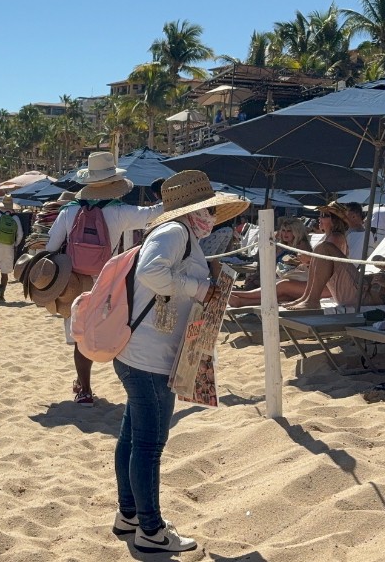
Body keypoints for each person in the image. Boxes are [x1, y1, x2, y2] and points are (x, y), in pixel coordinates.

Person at [111, 170, 249, 554]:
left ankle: (129, 516)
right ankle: (151, 530)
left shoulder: (181, 233)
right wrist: (201, 288)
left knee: (133, 439)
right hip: (149, 357)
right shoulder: (174, 233)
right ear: (196, 209)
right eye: (208, 209)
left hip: (139, 352)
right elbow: (151, 272)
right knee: (149, 445)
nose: (212, 216)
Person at [45, 151, 162, 406]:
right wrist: (169, 197)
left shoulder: (68, 210)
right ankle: (132, 387)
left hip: (73, 279)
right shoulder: (120, 211)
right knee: (118, 329)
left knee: (80, 334)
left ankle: (84, 389)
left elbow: (51, 246)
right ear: (113, 183)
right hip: (108, 280)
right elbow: (152, 214)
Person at [284, 202, 385, 310]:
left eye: (324, 215)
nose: (319, 218)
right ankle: (306, 298)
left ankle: (311, 300)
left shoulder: (335, 238)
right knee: (321, 248)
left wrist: (309, 258)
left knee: (283, 285)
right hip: (337, 285)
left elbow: (330, 266)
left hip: (342, 288)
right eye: (320, 214)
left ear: (335, 220)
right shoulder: (330, 237)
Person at [227, 217, 312, 307]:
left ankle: (237, 296)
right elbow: (270, 264)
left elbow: (302, 266)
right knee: (252, 282)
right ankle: (240, 300)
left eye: (289, 231)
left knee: (276, 289)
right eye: (283, 230)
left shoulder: (301, 246)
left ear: (296, 232)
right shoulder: (280, 245)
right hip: (278, 276)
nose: (285, 234)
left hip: (294, 278)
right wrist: (258, 274)